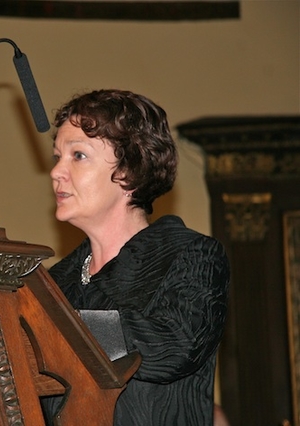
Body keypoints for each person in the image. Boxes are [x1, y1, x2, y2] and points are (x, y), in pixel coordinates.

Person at [42, 89, 230, 425]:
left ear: (129, 171)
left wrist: (58, 325)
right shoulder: (53, 282)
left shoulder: (189, 256)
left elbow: (174, 346)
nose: (57, 171)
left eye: (78, 155)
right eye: (57, 157)